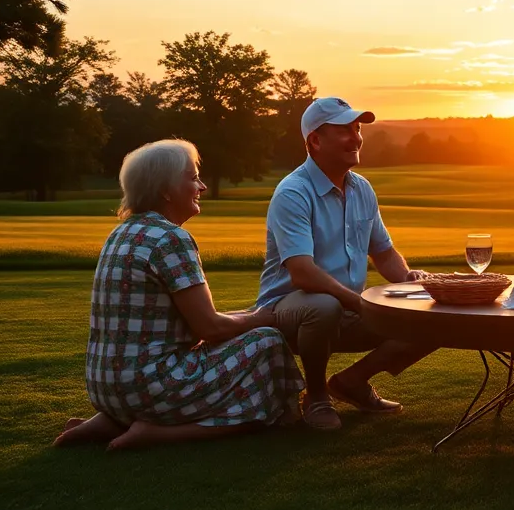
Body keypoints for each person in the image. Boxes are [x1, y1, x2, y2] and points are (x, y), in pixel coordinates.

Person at [54, 140, 303, 450]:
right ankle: (155, 433)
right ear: (166, 190)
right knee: (268, 341)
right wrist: (263, 319)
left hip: (105, 389)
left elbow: (193, 326)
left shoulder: (120, 233)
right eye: (192, 177)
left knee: (246, 329)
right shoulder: (172, 238)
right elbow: (209, 328)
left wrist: (246, 318)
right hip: (149, 388)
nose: (202, 186)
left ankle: (110, 422)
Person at [256, 97, 435, 431]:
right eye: (344, 130)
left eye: (357, 128)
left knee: (434, 318)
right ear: (315, 141)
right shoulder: (293, 192)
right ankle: (317, 396)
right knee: (323, 306)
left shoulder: (362, 188)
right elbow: (302, 272)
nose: (356, 138)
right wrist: (359, 302)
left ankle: (352, 382)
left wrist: (412, 282)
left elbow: (383, 253)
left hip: (350, 309)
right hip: (288, 311)